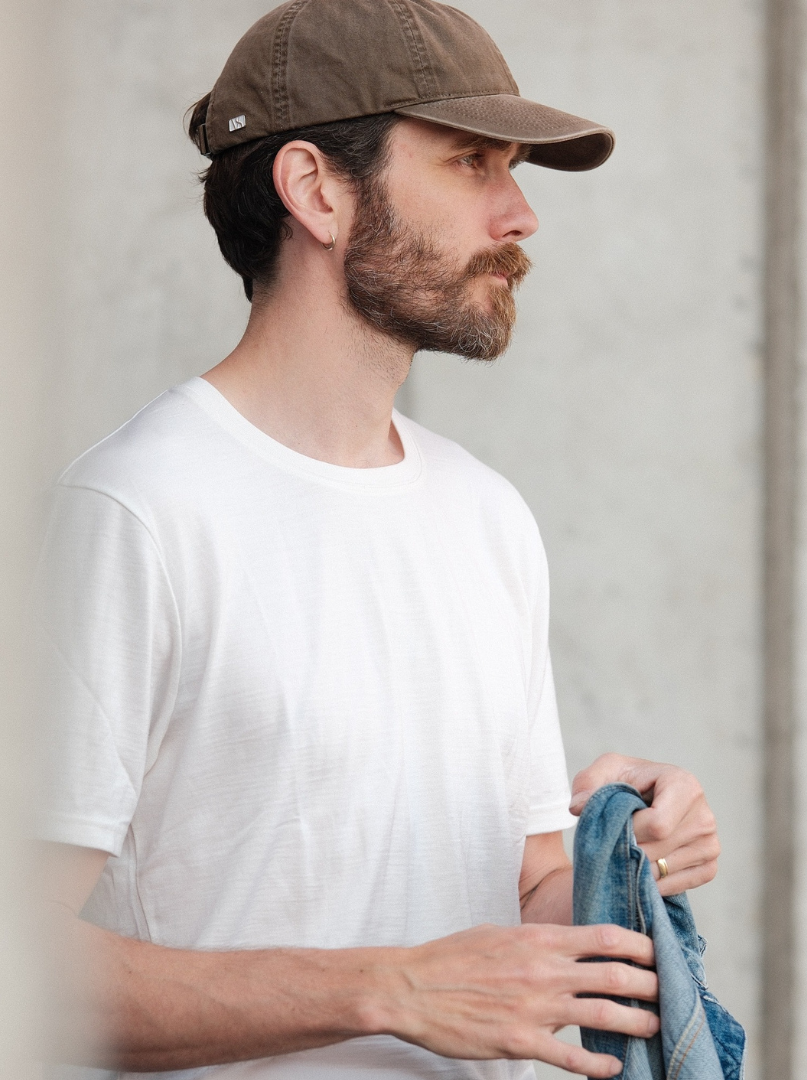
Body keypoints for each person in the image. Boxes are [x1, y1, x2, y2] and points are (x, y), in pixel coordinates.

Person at [36, 2, 721, 1078]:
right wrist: (386, 988)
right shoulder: (138, 512)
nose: (520, 215)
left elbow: (524, 891)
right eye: (470, 163)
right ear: (316, 189)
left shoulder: (486, 514)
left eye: (512, 170)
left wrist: (627, 851)